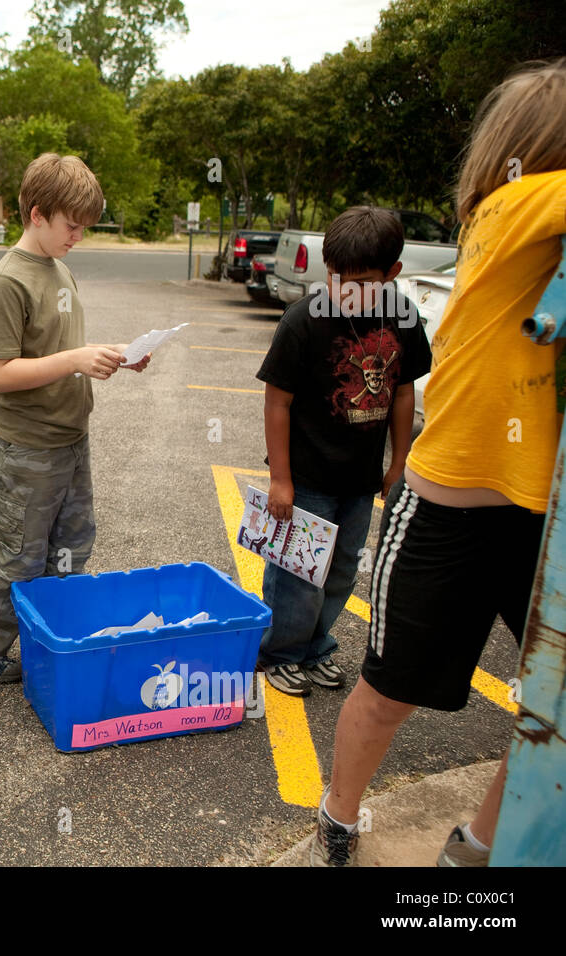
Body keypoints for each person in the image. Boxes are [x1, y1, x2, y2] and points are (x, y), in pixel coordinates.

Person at [314, 59, 566, 867]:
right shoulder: (507, 211)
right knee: (389, 690)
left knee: (552, 699)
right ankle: (339, 813)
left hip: (541, 514)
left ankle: (482, 846)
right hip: (448, 509)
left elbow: (408, 386)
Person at [0, 153, 149, 682]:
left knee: (72, 544)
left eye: (84, 226)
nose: (79, 236)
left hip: (68, 434)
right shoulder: (7, 281)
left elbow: (63, 348)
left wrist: (114, 352)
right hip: (27, 443)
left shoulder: (59, 268)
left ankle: (50, 633)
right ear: (37, 214)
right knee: (17, 553)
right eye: (72, 225)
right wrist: (76, 360)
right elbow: (1, 372)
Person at [255, 207, 431, 697]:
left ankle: (316, 647)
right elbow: (277, 401)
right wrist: (281, 479)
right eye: (336, 278)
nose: (344, 290)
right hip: (306, 477)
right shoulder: (303, 321)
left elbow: (401, 392)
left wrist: (397, 463)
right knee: (297, 571)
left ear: (392, 274)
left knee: (343, 567)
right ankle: (281, 652)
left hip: (360, 479)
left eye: (362, 281)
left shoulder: (404, 318)